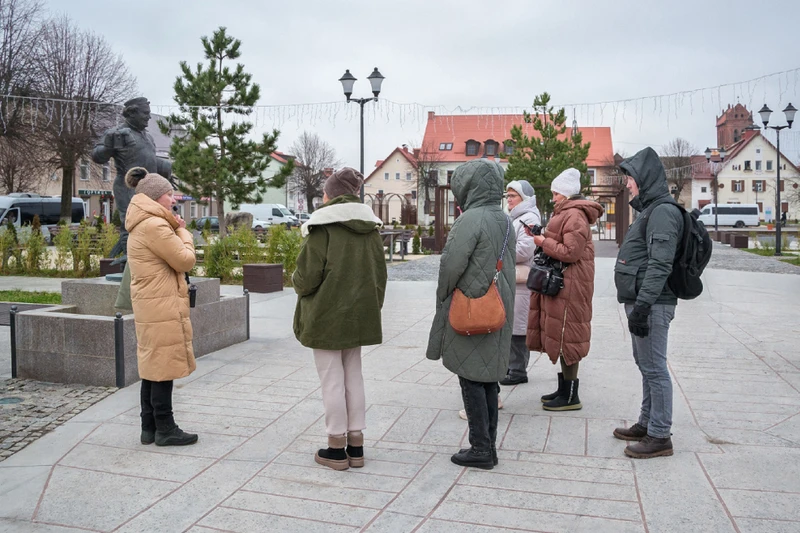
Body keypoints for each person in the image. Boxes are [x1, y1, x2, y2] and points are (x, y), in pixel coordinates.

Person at [292, 167, 387, 471]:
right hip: (359, 315)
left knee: (331, 380)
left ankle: (335, 448)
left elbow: (306, 278)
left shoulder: (323, 227)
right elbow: (379, 277)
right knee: (353, 376)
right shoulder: (370, 228)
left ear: (330, 194)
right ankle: (356, 445)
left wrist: (295, 280)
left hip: (326, 316)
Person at [426, 159, 515, 470]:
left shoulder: (470, 219)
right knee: (488, 376)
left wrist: (442, 296)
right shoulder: (503, 218)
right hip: (497, 303)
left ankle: (480, 448)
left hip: (471, 304)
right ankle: (488, 446)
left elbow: (451, 265)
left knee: (470, 377)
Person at [613, 147, 683, 459]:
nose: (627, 184)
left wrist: (642, 306)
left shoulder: (663, 212)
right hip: (644, 301)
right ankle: (647, 422)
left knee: (655, 367)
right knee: (646, 365)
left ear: (645, 178)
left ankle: (660, 435)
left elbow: (660, 264)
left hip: (653, 303)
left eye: (630, 178)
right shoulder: (651, 209)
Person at [124, 167, 198, 447]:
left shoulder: (144, 222)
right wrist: (183, 232)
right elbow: (184, 260)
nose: (173, 198)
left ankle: (149, 427)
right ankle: (165, 428)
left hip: (151, 302)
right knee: (162, 366)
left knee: (152, 365)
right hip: (160, 304)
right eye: (169, 194)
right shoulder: (154, 225)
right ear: (155, 197)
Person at [526, 168, 603, 411]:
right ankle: (564, 389)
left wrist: (542, 242)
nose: (553, 197)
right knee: (561, 333)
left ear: (566, 194)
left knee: (568, 336)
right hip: (565, 283)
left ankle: (571, 396)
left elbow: (571, 252)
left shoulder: (574, 216)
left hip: (571, 285)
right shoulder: (568, 214)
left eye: (556, 193)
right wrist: (541, 235)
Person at [500, 180, 541, 386]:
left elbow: (525, 249)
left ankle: (517, 371)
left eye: (513, 196)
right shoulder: (518, 217)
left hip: (522, 282)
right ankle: (511, 367)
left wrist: (500, 253)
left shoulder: (529, 218)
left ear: (523, 198)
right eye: (507, 196)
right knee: (513, 325)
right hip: (514, 280)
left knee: (518, 327)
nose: (509, 199)